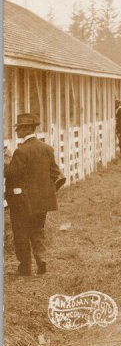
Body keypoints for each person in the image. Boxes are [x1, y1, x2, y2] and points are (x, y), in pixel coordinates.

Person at [4, 113, 64, 276]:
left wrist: (4, 161)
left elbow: (11, 174)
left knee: (21, 233)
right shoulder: (47, 148)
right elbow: (54, 173)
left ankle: (25, 268)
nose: (17, 132)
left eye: (19, 128)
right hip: (41, 202)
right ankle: (41, 260)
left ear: (27, 129)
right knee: (37, 230)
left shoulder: (21, 151)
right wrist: (44, 191)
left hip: (22, 201)